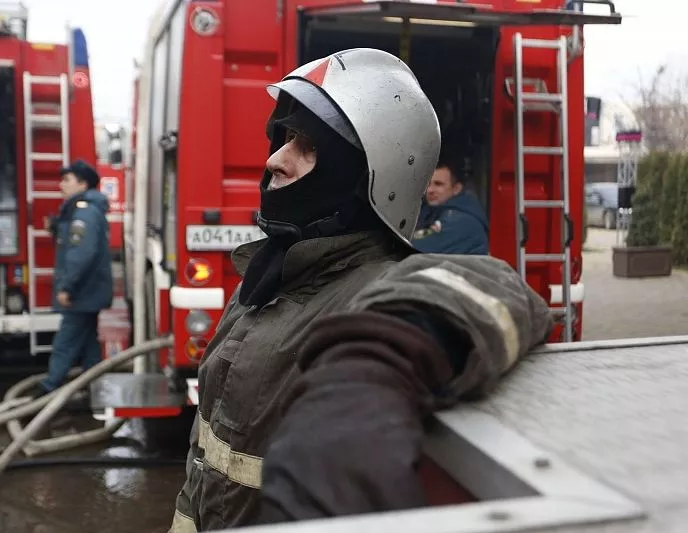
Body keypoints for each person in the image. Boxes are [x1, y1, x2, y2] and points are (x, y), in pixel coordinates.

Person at [168, 48, 552, 532]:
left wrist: (376, 361)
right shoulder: (262, 281)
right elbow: (205, 461)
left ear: (370, 177)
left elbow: (505, 287)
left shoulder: (370, 291)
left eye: (308, 146)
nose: (275, 160)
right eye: (284, 138)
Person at [36, 160, 113, 397]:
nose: (61, 185)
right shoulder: (84, 210)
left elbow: (81, 253)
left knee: (66, 342)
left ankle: (49, 389)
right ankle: (94, 385)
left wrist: (67, 287)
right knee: (88, 341)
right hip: (90, 292)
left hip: (82, 292)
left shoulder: (84, 212)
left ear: (82, 184)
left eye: (66, 180)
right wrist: (57, 227)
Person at [411, 159, 489, 255]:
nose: (430, 190)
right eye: (428, 184)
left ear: (456, 189)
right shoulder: (431, 213)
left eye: (438, 184)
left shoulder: (461, 220)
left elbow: (418, 247)